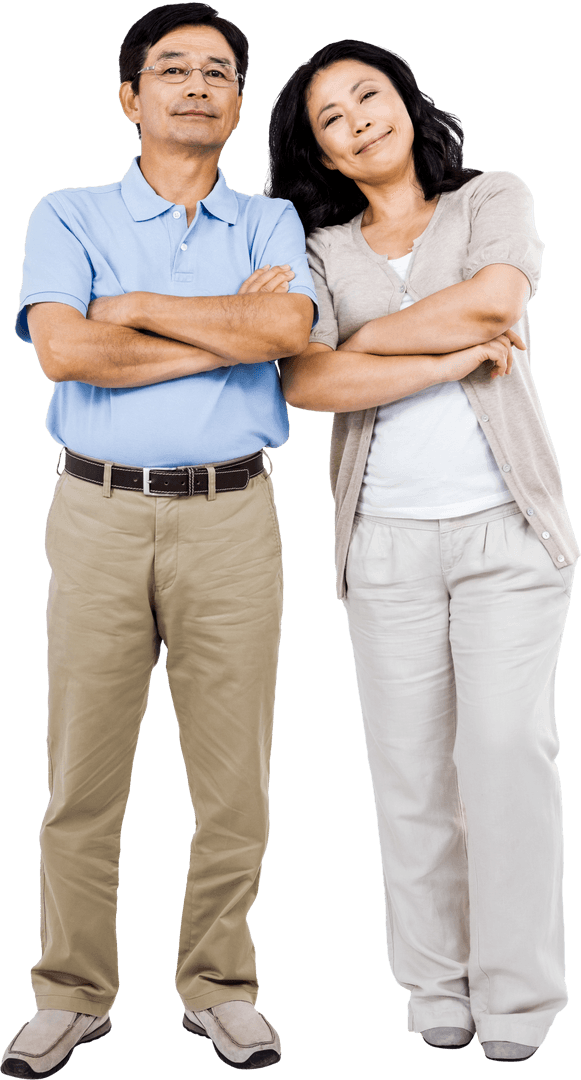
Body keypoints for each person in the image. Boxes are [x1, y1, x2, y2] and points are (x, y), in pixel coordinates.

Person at [2, 4, 317, 1076]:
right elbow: (65, 353)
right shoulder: (67, 211)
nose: (195, 85)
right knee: (80, 775)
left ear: (236, 102)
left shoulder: (270, 221)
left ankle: (219, 987)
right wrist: (225, 330)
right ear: (130, 98)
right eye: (171, 69)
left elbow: (286, 330)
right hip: (95, 511)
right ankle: (70, 994)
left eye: (217, 72)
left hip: (233, 515)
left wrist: (131, 307)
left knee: (234, 782)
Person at [264, 38, 578, 1064]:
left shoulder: (490, 197)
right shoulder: (319, 248)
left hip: (505, 533)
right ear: (319, 152)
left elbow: (495, 301)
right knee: (408, 773)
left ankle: (518, 995)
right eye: (331, 117)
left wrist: (361, 339)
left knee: (505, 755)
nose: (357, 119)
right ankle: (435, 983)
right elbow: (302, 382)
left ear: (405, 99)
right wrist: (444, 357)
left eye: (368, 95)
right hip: (384, 542)